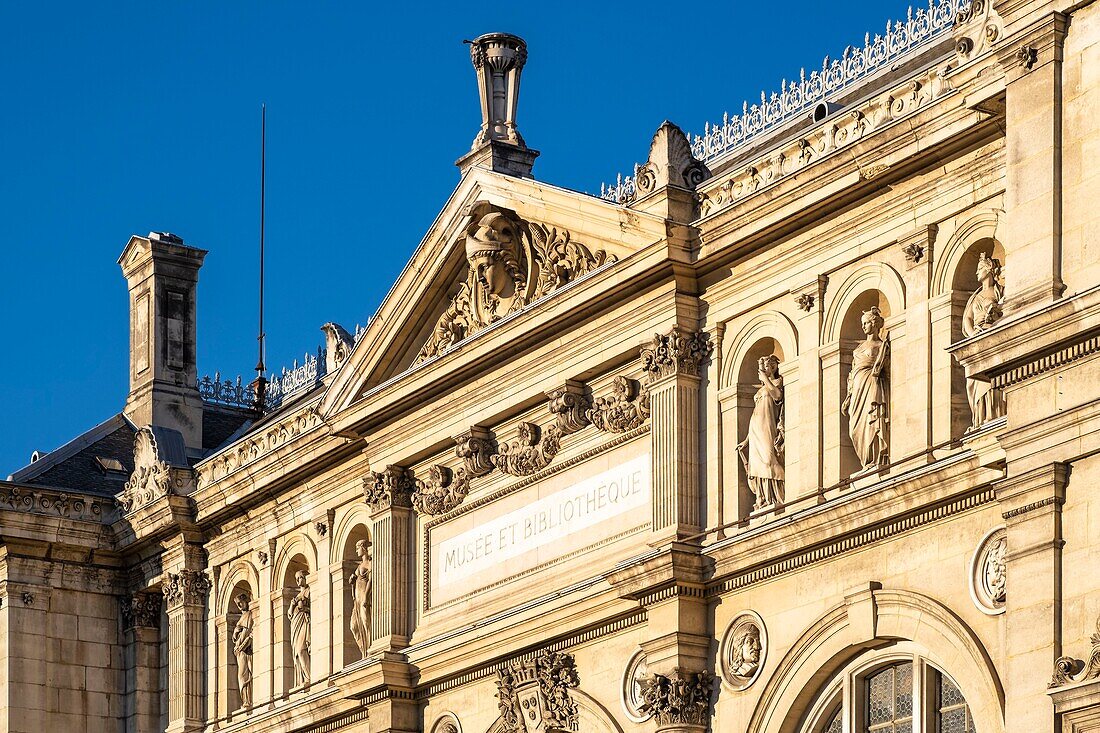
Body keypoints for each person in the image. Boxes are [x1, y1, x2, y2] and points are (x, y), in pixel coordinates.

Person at [842, 305, 890, 472]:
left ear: (875, 323)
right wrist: (848, 396)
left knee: (873, 418)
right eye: (862, 323)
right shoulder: (858, 348)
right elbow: (851, 373)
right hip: (857, 387)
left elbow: (888, 368)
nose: (863, 326)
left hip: (872, 384)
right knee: (854, 427)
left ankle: (875, 458)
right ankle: (866, 460)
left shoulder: (881, 345)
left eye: (866, 323)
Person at [962, 252, 1007, 427]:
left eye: (980, 268)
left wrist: (995, 313)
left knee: (993, 378)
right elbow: (967, 319)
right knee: (976, 382)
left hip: (993, 335)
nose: (976, 273)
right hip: (978, 338)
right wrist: (973, 333)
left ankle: (994, 414)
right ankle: (980, 417)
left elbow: (1007, 308)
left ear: (989, 269)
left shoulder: (1001, 291)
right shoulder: (975, 296)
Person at [737, 355, 785, 509]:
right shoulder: (761, 390)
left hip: (768, 425)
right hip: (756, 427)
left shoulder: (776, 382)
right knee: (757, 462)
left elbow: (777, 396)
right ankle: (762, 497)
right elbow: (755, 413)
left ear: (773, 367)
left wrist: (765, 379)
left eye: (766, 366)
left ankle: (775, 495)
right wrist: (746, 440)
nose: (763, 369)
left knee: (769, 458)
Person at [348, 538, 372, 658]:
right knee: (354, 626)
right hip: (357, 599)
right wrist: (352, 580)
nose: (356, 550)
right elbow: (355, 582)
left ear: (363, 548)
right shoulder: (359, 566)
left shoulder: (369, 563)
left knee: (366, 622)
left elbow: (371, 580)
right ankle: (363, 650)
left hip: (363, 597)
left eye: (358, 548)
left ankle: (369, 648)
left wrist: (366, 597)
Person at [231, 592, 254, 708]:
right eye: (237, 604)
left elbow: (248, 632)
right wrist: (235, 632)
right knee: (241, 676)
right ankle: (245, 700)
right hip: (240, 652)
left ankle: (248, 700)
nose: (239, 606)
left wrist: (241, 644)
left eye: (241, 603)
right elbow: (235, 637)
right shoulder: (241, 618)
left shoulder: (250, 614)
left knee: (245, 675)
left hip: (246, 650)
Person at [290, 570, 311, 686]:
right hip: (295, 625)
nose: (298, 580)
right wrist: (293, 605)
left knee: (302, 650)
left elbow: (311, 608)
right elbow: (289, 614)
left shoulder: (309, 591)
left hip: (305, 622)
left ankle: (308, 677)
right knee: (297, 653)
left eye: (300, 578)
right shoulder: (296, 596)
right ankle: (303, 679)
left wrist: (304, 609)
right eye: (296, 578)